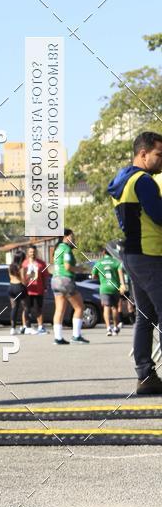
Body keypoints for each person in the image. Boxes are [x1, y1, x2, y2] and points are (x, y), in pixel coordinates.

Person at [108, 132, 162, 394]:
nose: (161, 160)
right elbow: (159, 215)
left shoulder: (122, 180)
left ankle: (145, 375)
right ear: (143, 154)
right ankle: (146, 376)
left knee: (145, 316)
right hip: (149, 254)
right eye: (158, 155)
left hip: (131, 254)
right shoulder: (144, 181)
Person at [51, 229, 89, 346]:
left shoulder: (58, 249)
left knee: (59, 310)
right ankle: (76, 336)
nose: (74, 239)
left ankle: (58, 338)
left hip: (55, 279)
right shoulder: (66, 249)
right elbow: (67, 267)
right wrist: (80, 269)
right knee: (79, 307)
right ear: (66, 237)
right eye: (72, 237)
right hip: (65, 280)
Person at [91, 249, 126, 336]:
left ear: (103, 252)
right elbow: (121, 275)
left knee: (106, 307)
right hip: (114, 288)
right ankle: (115, 327)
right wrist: (122, 285)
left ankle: (108, 328)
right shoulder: (116, 262)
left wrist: (100, 277)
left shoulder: (98, 263)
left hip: (104, 288)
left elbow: (93, 276)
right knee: (114, 308)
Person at [22, 245, 49, 334]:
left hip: (39, 290)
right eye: (30, 252)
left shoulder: (41, 263)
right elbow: (21, 277)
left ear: (36, 252)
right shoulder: (24, 263)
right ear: (28, 253)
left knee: (39, 309)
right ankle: (25, 326)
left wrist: (45, 286)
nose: (32, 253)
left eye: (34, 252)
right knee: (26, 309)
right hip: (28, 290)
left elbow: (46, 276)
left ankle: (40, 326)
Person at [8, 251, 31, 336]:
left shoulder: (10, 267)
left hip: (11, 287)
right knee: (26, 307)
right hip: (19, 287)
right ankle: (27, 327)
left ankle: (13, 329)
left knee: (14, 308)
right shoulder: (21, 267)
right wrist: (29, 277)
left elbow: (10, 277)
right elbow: (23, 280)